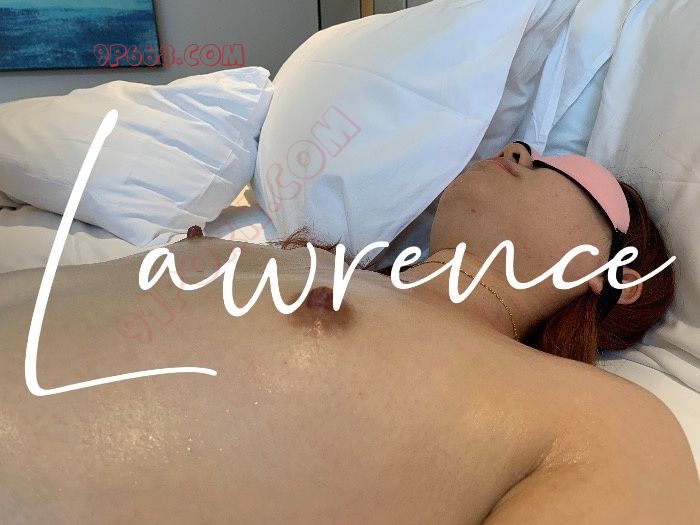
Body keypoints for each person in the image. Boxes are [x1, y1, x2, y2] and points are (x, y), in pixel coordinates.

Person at [0, 142, 697, 523]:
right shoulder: (320, 265)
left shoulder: (601, 417)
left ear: (619, 273)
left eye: (565, 170)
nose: (518, 150)